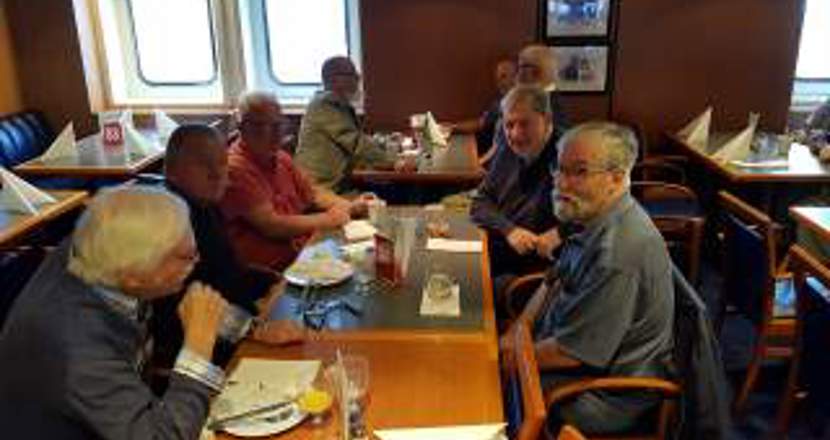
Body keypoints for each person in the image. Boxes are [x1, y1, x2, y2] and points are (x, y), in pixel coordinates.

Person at [0, 186, 232, 439]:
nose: (197, 260)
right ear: (134, 275)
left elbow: (193, 303)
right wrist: (197, 349)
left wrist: (243, 326)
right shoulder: (79, 347)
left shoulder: (100, 249)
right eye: (186, 256)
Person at [509, 122, 675, 436]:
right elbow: (552, 282)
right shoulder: (592, 216)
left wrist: (505, 358)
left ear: (617, 178)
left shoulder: (618, 252)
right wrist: (519, 330)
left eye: (579, 172)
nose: (561, 183)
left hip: (607, 395)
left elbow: (571, 353)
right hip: (567, 349)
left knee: (494, 396)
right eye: (559, 169)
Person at [153, 124, 305, 372]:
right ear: (171, 170)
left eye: (221, 163)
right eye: (203, 164)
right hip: (199, 349)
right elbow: (184, 302)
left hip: (238, 322)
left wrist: (270, 280)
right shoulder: (169, 218)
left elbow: (225, 271)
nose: (216, 174)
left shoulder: (205, 205)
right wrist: (253, 329)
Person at [222, 90, 364, 271]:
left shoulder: (281, 157)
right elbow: (273, 225)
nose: (276, 134)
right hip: (271, 272)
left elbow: (313, 194)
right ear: (242, 127)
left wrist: (348, 206)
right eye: (261, 126)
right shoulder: (235, 168)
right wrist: (329, 219)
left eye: (278, 125)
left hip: (304, 254)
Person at [470, 85, 563, 300]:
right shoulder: (508, 147)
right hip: (500, 248)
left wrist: (561, 232)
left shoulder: (567, 155)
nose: (515, 134)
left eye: (525, 124)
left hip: (538, 272)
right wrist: (509, 230)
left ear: (547, 120)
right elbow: (480, 202)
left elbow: (602, 213)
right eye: (509, 125)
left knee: (470, 292)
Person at [295, 56, 396, 193]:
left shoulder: (336, 104)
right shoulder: (326, 104)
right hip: (322, 189)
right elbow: (356, 144)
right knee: (398, 192)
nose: (357, 80)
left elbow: (355, 141)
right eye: (352, 75)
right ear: (334, 79)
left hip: (333, 184)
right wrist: (394, 162)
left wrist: (383, 152)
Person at [447, 58, 517, 157]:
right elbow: (481, 122)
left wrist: (478, 163)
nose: (499, 83)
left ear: (516, 77)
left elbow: (501, 149)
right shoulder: (499, 102)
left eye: (503, 76)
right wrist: (451, 127)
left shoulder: (522, 106)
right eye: (497, 79)